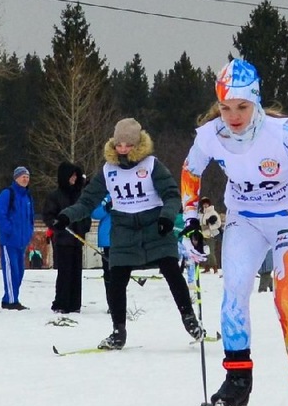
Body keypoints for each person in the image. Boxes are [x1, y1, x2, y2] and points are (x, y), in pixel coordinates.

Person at [179, 59, 288, 406]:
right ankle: (236, 383)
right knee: (234, 292)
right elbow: (190, 172)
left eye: (241, 107)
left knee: (286, 298)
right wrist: (189, 223)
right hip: (245, 219)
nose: (233, 115)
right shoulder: (211, 135)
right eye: (225, 107)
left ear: (255, 102)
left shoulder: (283, 134)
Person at [54, 118, 205, 349]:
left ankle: (189, 320)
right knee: (117, 279)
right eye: (119, 144)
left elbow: (172, 194)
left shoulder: (152, 165)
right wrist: (66, 216)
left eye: (128, 144)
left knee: (172, 271)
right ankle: (118, 331)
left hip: (155, 226)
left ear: (138, 144)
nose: (123, 149)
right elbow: (87, 201)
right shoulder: (108, 170)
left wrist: (166, 216)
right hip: (124, 229)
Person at [44, 162, 90, 314]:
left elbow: (85, 214)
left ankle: (75, 304)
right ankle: (61, 303)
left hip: (77, 240)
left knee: (76, 272)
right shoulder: (55, 196)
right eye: (71, 175)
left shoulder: (80, 195)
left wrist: (84, 227)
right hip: (63, 240)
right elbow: (49, 215)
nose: (74, 178)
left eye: (76, 175)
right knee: (64, 273)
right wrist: (56, 224)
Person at [0, 166, 35, 310]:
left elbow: (30, 217)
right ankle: (11, 300)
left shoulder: (28, 196)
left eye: (27, 177)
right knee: (11, 271)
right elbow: (0, 215)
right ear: (16, 178)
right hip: (9, 241)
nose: (25, 179)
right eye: (23, 176)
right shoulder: (7, 194)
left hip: (22, 241)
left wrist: (29, 232)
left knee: (19, 272)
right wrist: (9, 231)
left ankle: (11, 297)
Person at [198, 197, 223, 274]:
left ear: (209, 204)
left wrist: (209, 226)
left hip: (210, 235)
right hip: (202, 234)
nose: (205, 205)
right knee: (204, 252)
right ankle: (207, 267)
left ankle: (215, 267)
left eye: (206, 203)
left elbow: (218, 224)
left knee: (211, 252)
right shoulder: (201, 213)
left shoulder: (213, 212)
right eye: (204, 204)